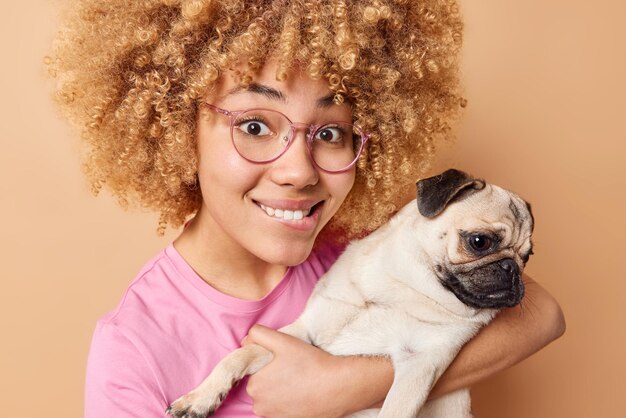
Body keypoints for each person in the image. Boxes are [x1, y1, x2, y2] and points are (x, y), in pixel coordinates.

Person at [48, 0, 565, 417]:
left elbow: (541, 315)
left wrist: (343, 386)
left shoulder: (367, 248)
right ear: (181, 133)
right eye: (254, 125)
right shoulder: (133, 351)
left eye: (330, 132)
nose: (299, 171)